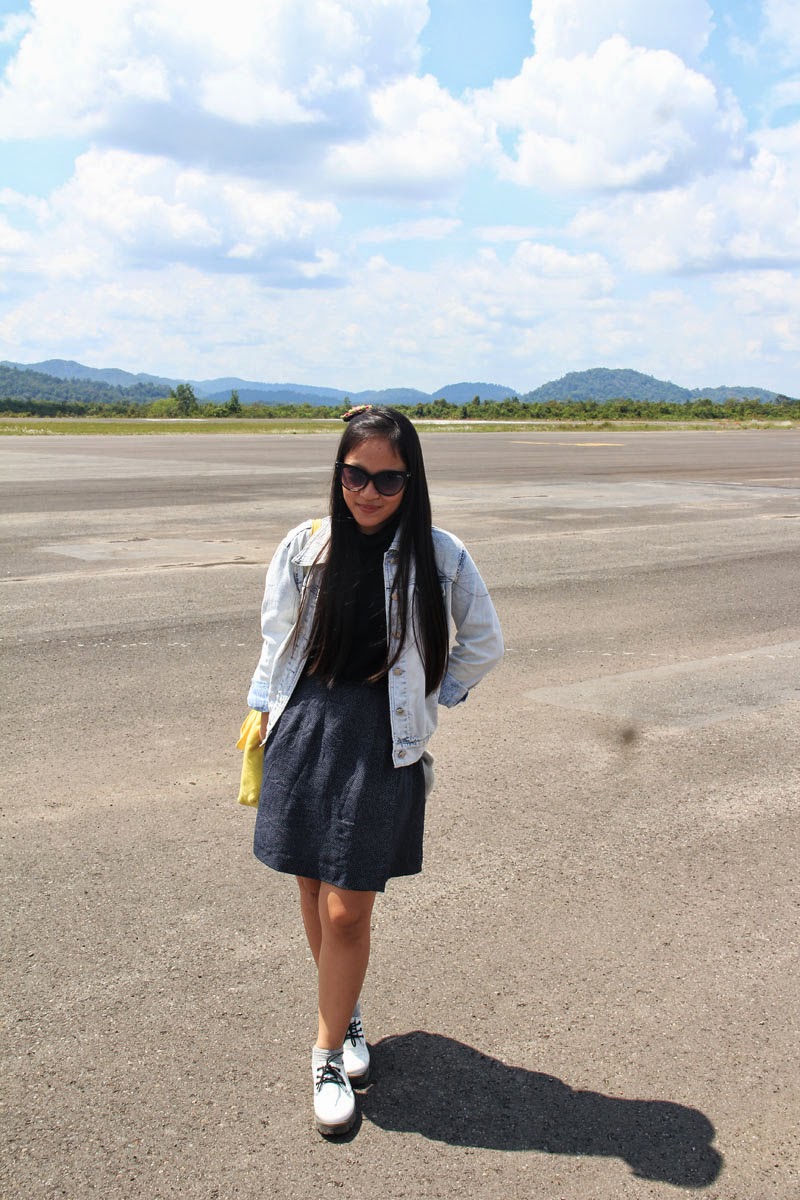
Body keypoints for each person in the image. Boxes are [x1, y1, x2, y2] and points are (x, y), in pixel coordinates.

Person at [247, 405, 503, 1136]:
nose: (368, 492)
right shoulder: (304, 545)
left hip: (380, 739)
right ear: (339, 473)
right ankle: (345, 1014)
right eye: (356, 475)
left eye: (388, 480)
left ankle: (326, 1055)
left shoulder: (441, 555)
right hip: (305, 727)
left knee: (347, 908)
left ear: (410, 481)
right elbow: (275, 639)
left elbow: (484, 642)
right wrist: (261, 710)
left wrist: (433, 697)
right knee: (311, 885)